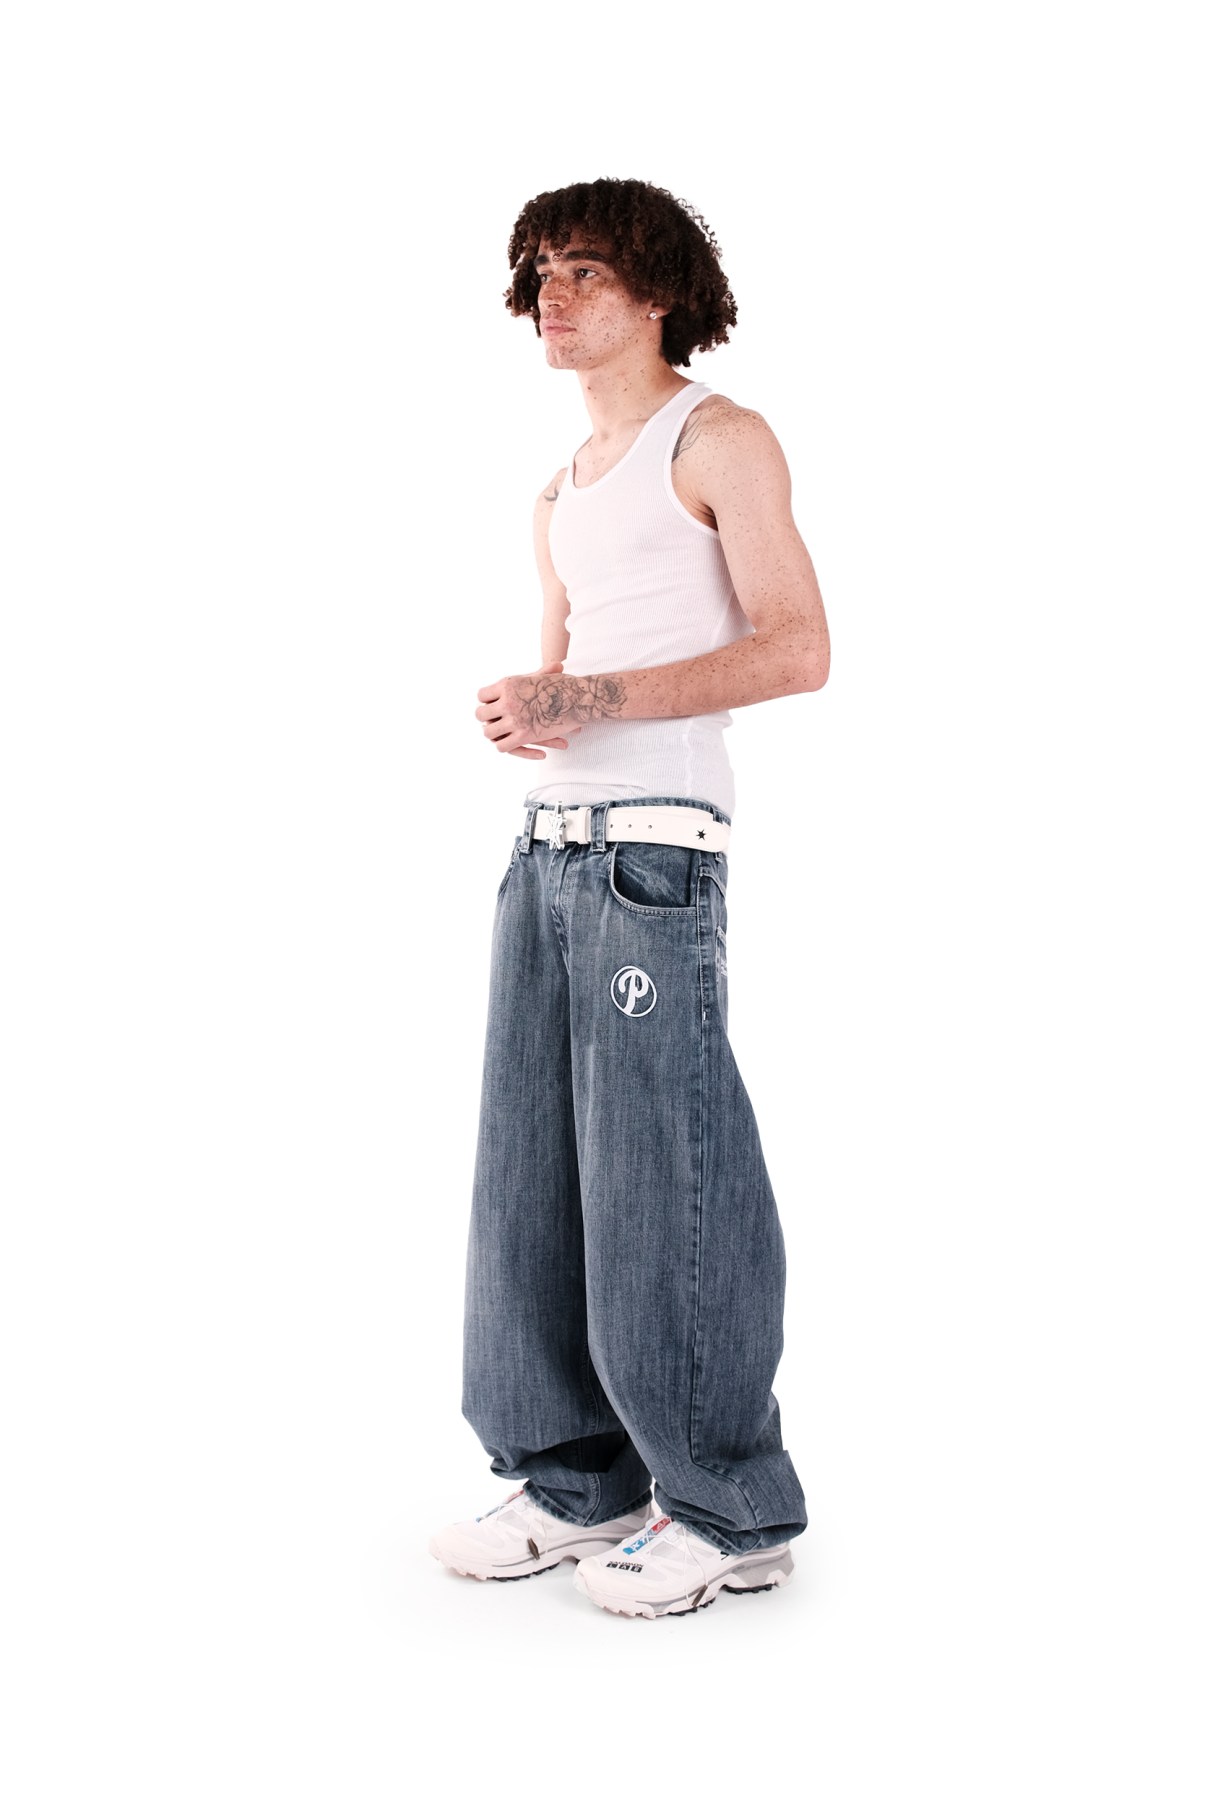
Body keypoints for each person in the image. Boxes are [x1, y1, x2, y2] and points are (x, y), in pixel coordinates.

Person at [429, 178, 830, 1618]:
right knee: (528, 1175)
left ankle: (727, 1504)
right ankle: (573, 1480)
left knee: (664, 1166)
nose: (553, 293)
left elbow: (796, 649)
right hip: (548, 847)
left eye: (586, 269)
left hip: (655, 850)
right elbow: (568, 668)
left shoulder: (718, 439)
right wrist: (534, 707)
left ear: (658, 289)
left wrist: (585, 698)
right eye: (539, 269)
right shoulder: (557, 490)